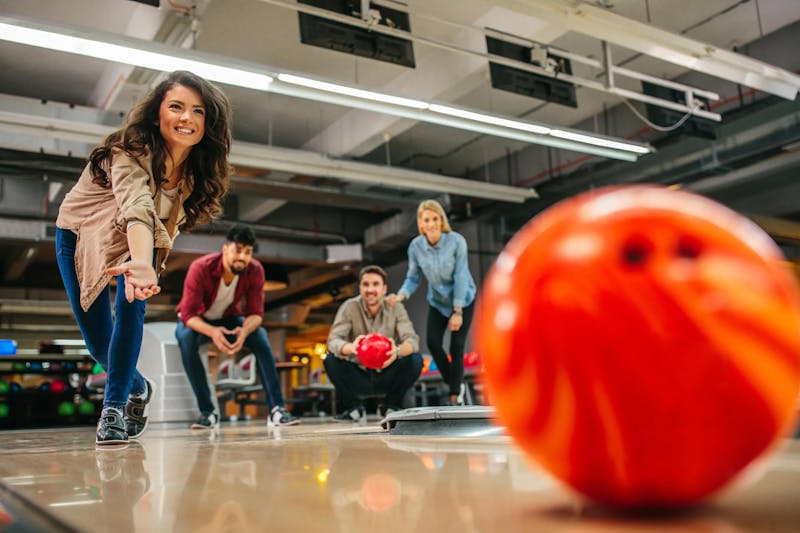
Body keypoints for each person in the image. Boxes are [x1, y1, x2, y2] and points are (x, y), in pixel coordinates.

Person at [56, 70, 233, 445]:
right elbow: (136, 204)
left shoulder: (193, 174)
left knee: (132, 307)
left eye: (198, 111)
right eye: (177, 107)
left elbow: (157, 222)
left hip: (140, 239)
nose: (187, 118)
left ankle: (115, 408)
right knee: (97, 338)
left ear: (208, 123)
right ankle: (139, 384)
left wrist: (142, 262)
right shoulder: (129, 150)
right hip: (81, 234)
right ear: (157, 114)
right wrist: (141, 261)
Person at [175, 224, 299, 429]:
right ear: (225, 249)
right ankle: (208, 412)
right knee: (185, 339)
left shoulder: (255, 270)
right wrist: (213, 332)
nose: (242, 257)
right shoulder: (201, 267)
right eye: (237, 250)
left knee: (260, 335)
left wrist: (245, 331)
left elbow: (256, 314)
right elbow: (187, 315)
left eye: (247, 252)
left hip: (229, 319)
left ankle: (277, 409)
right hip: (197, 321)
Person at [387, 199, 477, 406]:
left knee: (456, 346)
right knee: (433, 344)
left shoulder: (456, 241)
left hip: (463, 300)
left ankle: (456, 395)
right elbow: (413, 277)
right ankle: (455, 381)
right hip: (437, 301)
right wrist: (401, 295)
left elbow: (461, 276)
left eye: (435, 219)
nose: (431, 223)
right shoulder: (416, 247)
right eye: (427, 219)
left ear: (441, 220)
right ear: (420, 222)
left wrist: (458, 311)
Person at [325, 265, 423, 422]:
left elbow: (412, 340)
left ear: (384, 289)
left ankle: (390, 406)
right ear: (360, 287)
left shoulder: (396, 307)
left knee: (415, 360)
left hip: (387, 373)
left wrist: (396, 352)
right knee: (330, 360)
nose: (370, 289)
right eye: (365, 284)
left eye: (375, 284)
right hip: (359, 374)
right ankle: (354, 408)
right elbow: (332, 341)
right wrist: (351, 348)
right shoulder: (349, 307)